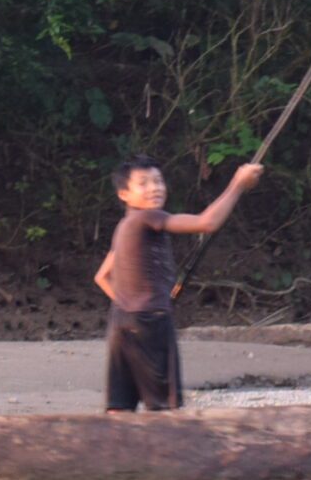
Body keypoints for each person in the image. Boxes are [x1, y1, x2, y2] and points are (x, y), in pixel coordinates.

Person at [95, 158, 263, 412]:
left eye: (158, 181)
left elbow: (102, 276)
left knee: (119, 408)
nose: (155, 188)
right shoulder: (148, 217)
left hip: (121, 323)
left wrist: (131, 302)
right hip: (151, 324)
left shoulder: (125, 225)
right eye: (144, 183)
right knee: (164, 410)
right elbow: (207, 223)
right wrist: (237, 185)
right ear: (124, 194)